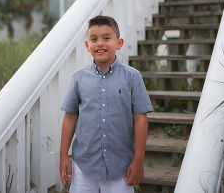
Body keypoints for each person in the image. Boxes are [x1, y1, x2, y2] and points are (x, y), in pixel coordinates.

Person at [59, 15, 153, 193]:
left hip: (121, 166)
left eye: (106, 38)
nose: (100, 43)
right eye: (94, 39)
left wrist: (138, 160)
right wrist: (63, 155)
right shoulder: (79, 78)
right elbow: (70, 117)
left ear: (119, 43)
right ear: (87, 46)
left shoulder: (132, 77)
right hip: (84, 165)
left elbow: (140, 118)